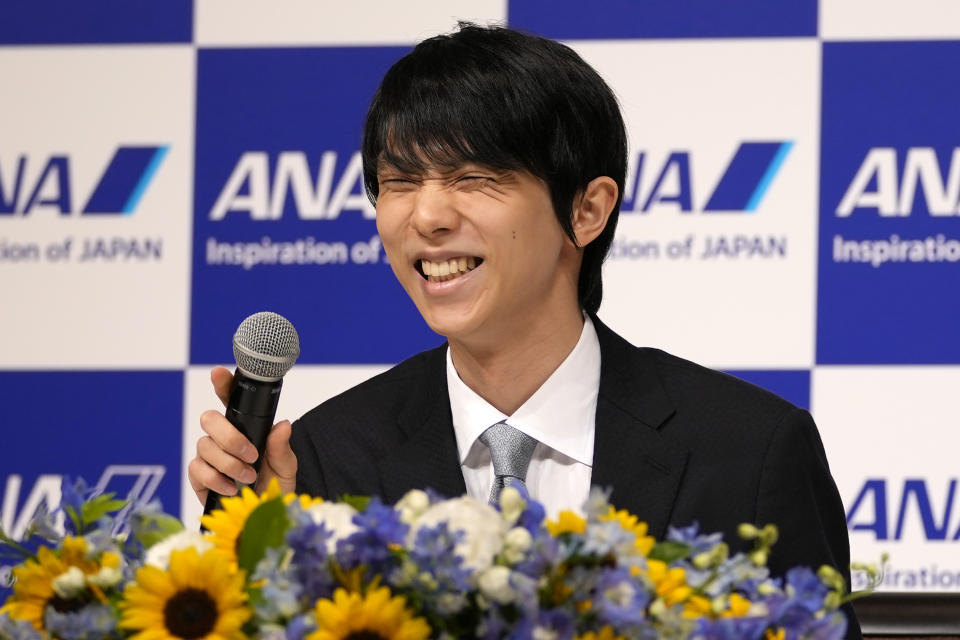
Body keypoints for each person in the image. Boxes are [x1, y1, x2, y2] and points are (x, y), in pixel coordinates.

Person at [189, 23, 860, 637]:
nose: (426, 216)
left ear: (588, 209)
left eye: (473, 176)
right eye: (399, 181)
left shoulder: (751, 452)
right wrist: (261, 542)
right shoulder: (325, 460)